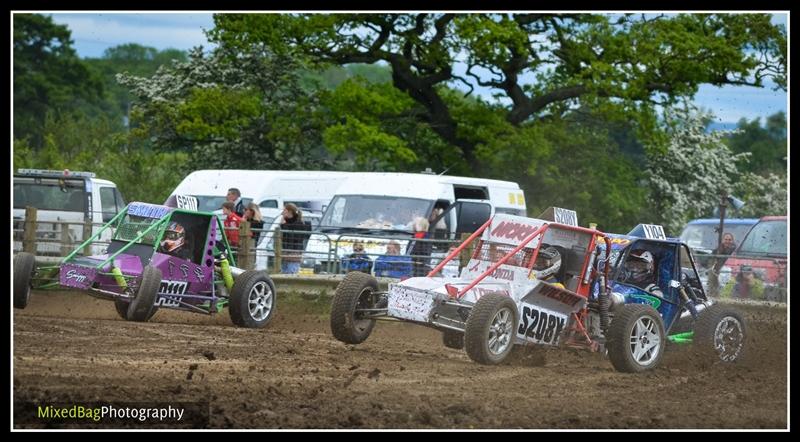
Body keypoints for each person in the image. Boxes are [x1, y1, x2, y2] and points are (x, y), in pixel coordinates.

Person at [280, 203, 311, 274]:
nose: (282, 212)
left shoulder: (298, 223)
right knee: (283, 274)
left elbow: (293, 237)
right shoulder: (287, 222)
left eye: (284, 210)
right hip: (286, 253)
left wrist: (284, 225)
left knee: (291, 273)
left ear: (290, 211)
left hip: (294, 254)